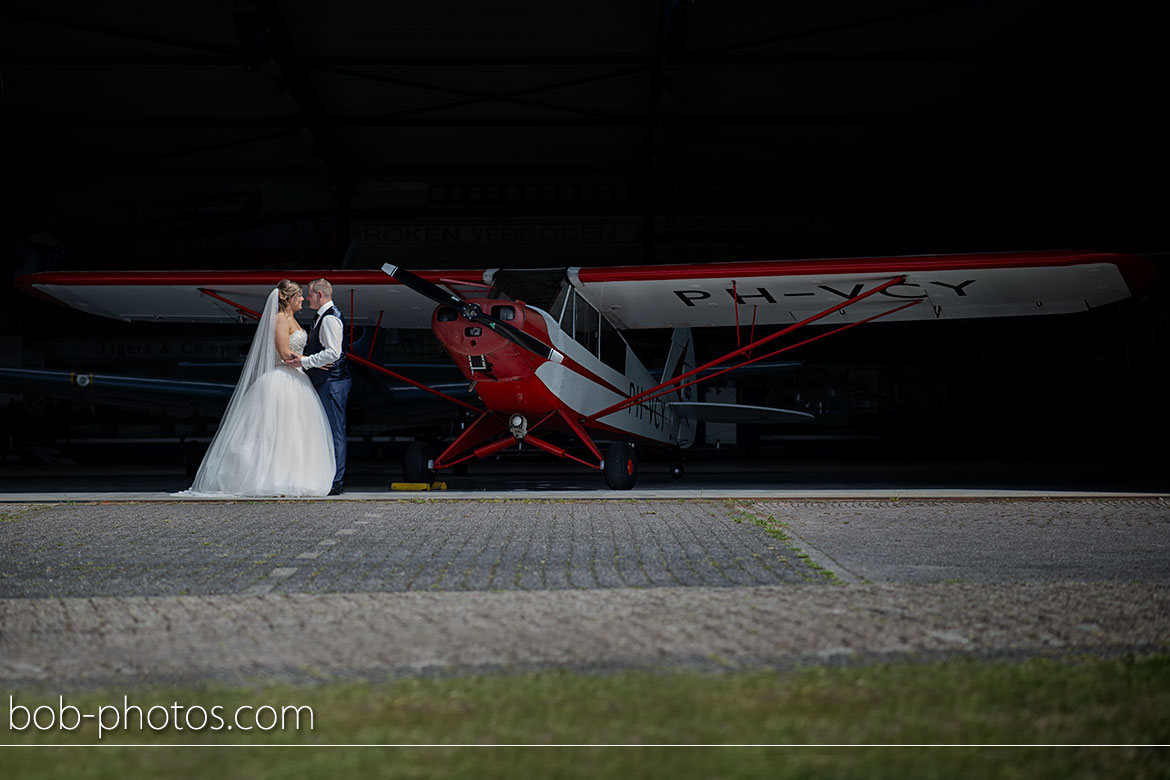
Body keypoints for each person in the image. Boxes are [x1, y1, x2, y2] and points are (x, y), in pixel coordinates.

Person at [178, 280, 336, 497]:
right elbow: (283, 353)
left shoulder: (293, 319)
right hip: (282, 379)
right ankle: (271, 478)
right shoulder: (280, 319)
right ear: (289, 299)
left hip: (298, 379)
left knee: (295, 432)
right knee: (275, 431)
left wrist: (309, 361)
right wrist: (312, 360)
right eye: (299, 296)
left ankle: (293, 476)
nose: (303, 300)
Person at [284, 278, 350, 495]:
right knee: (328, 429)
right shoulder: (322, 317)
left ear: (320, 295)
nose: (306, 298)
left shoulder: (330, 319)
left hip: (332, 381)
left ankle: (336, 481)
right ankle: (330, 477)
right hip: (327, 379)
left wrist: (305, 361)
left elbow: (333, 353)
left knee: (334, 430)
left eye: (309, 294)